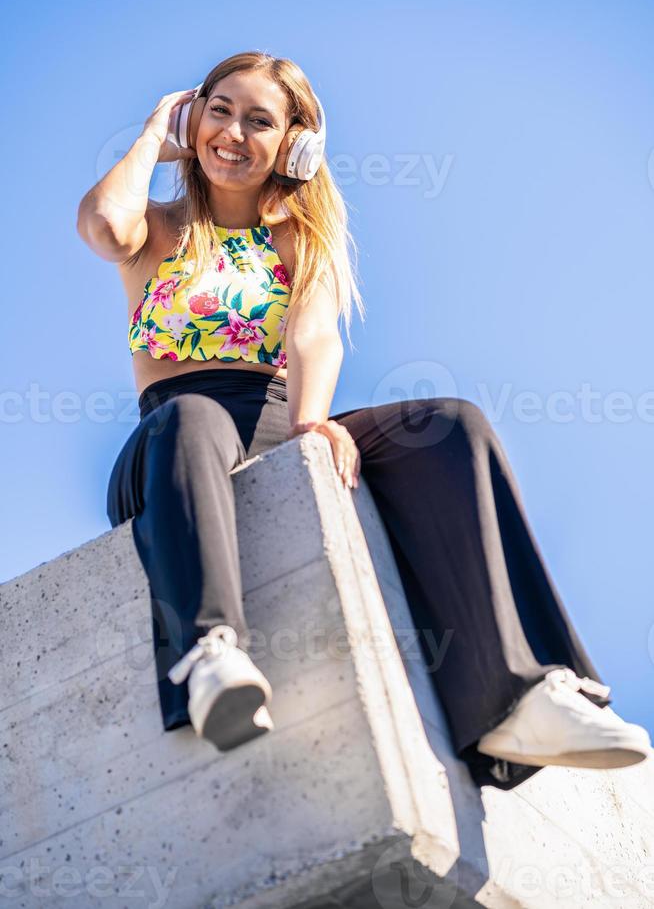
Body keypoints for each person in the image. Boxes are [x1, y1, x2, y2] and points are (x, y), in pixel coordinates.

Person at [77, 50, 651, 791]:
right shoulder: (155, 232)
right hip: (174, 437)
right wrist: (158, 128)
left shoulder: (296, 238)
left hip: (278, 414)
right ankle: (209, 654)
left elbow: (313, 334)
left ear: (293, 145)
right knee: (192, 415)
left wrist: (313, 423)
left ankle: (525, 696)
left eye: (260, 121)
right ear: (195, 117)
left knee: (451, 424)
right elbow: (100, 223)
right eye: (219, 110)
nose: (234, 134)